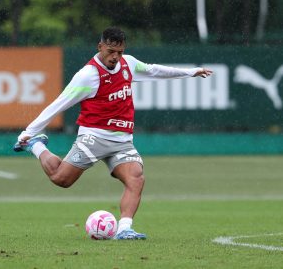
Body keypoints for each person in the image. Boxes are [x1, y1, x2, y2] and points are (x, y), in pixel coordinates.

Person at [13, 27, 212, 240]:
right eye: (110, 51)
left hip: (122, 141)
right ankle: (36, 144)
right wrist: (29, 131)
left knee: (136, 178)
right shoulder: (87, 75)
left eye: (119, 52)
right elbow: (59, 104)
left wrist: (190, 72)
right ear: (100, 47)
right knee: (62, 179)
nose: (115, 57)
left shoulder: (129, 63)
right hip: (94, 137)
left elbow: (154, 70)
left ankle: (124, 228)